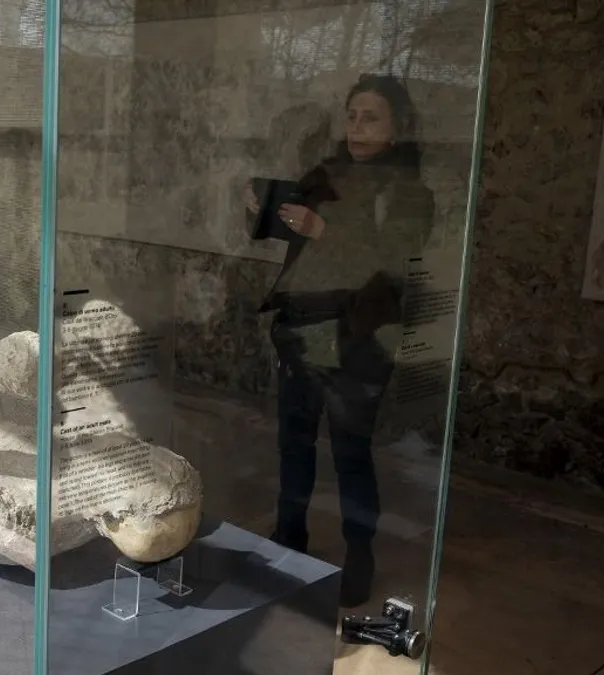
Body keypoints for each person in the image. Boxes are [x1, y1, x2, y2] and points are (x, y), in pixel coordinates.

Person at [247, 74, 434, 607]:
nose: (357, 127)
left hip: (359, 335)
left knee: (351, 453)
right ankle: (289, 538)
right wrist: (262, 208)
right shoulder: (324, 177)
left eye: (371, 117)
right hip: (303, 327)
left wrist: (322, 229)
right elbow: (290, 235)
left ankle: (360, 556)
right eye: (352, 116)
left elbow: (392, 258)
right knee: (294, 442)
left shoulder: (410, 193)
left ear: (397, 127)